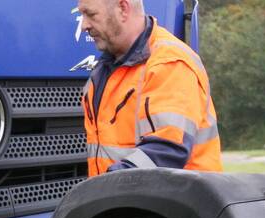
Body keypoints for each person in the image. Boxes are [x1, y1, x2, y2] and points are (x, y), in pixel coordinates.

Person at [77, 0, 222, 176]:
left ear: (123, 9)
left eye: (91, 14)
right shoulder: (105, 69)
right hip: (127, 192)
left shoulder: (169, 63)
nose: (83, 25)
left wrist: (103, 187)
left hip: (177, 194)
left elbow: (166, 151)